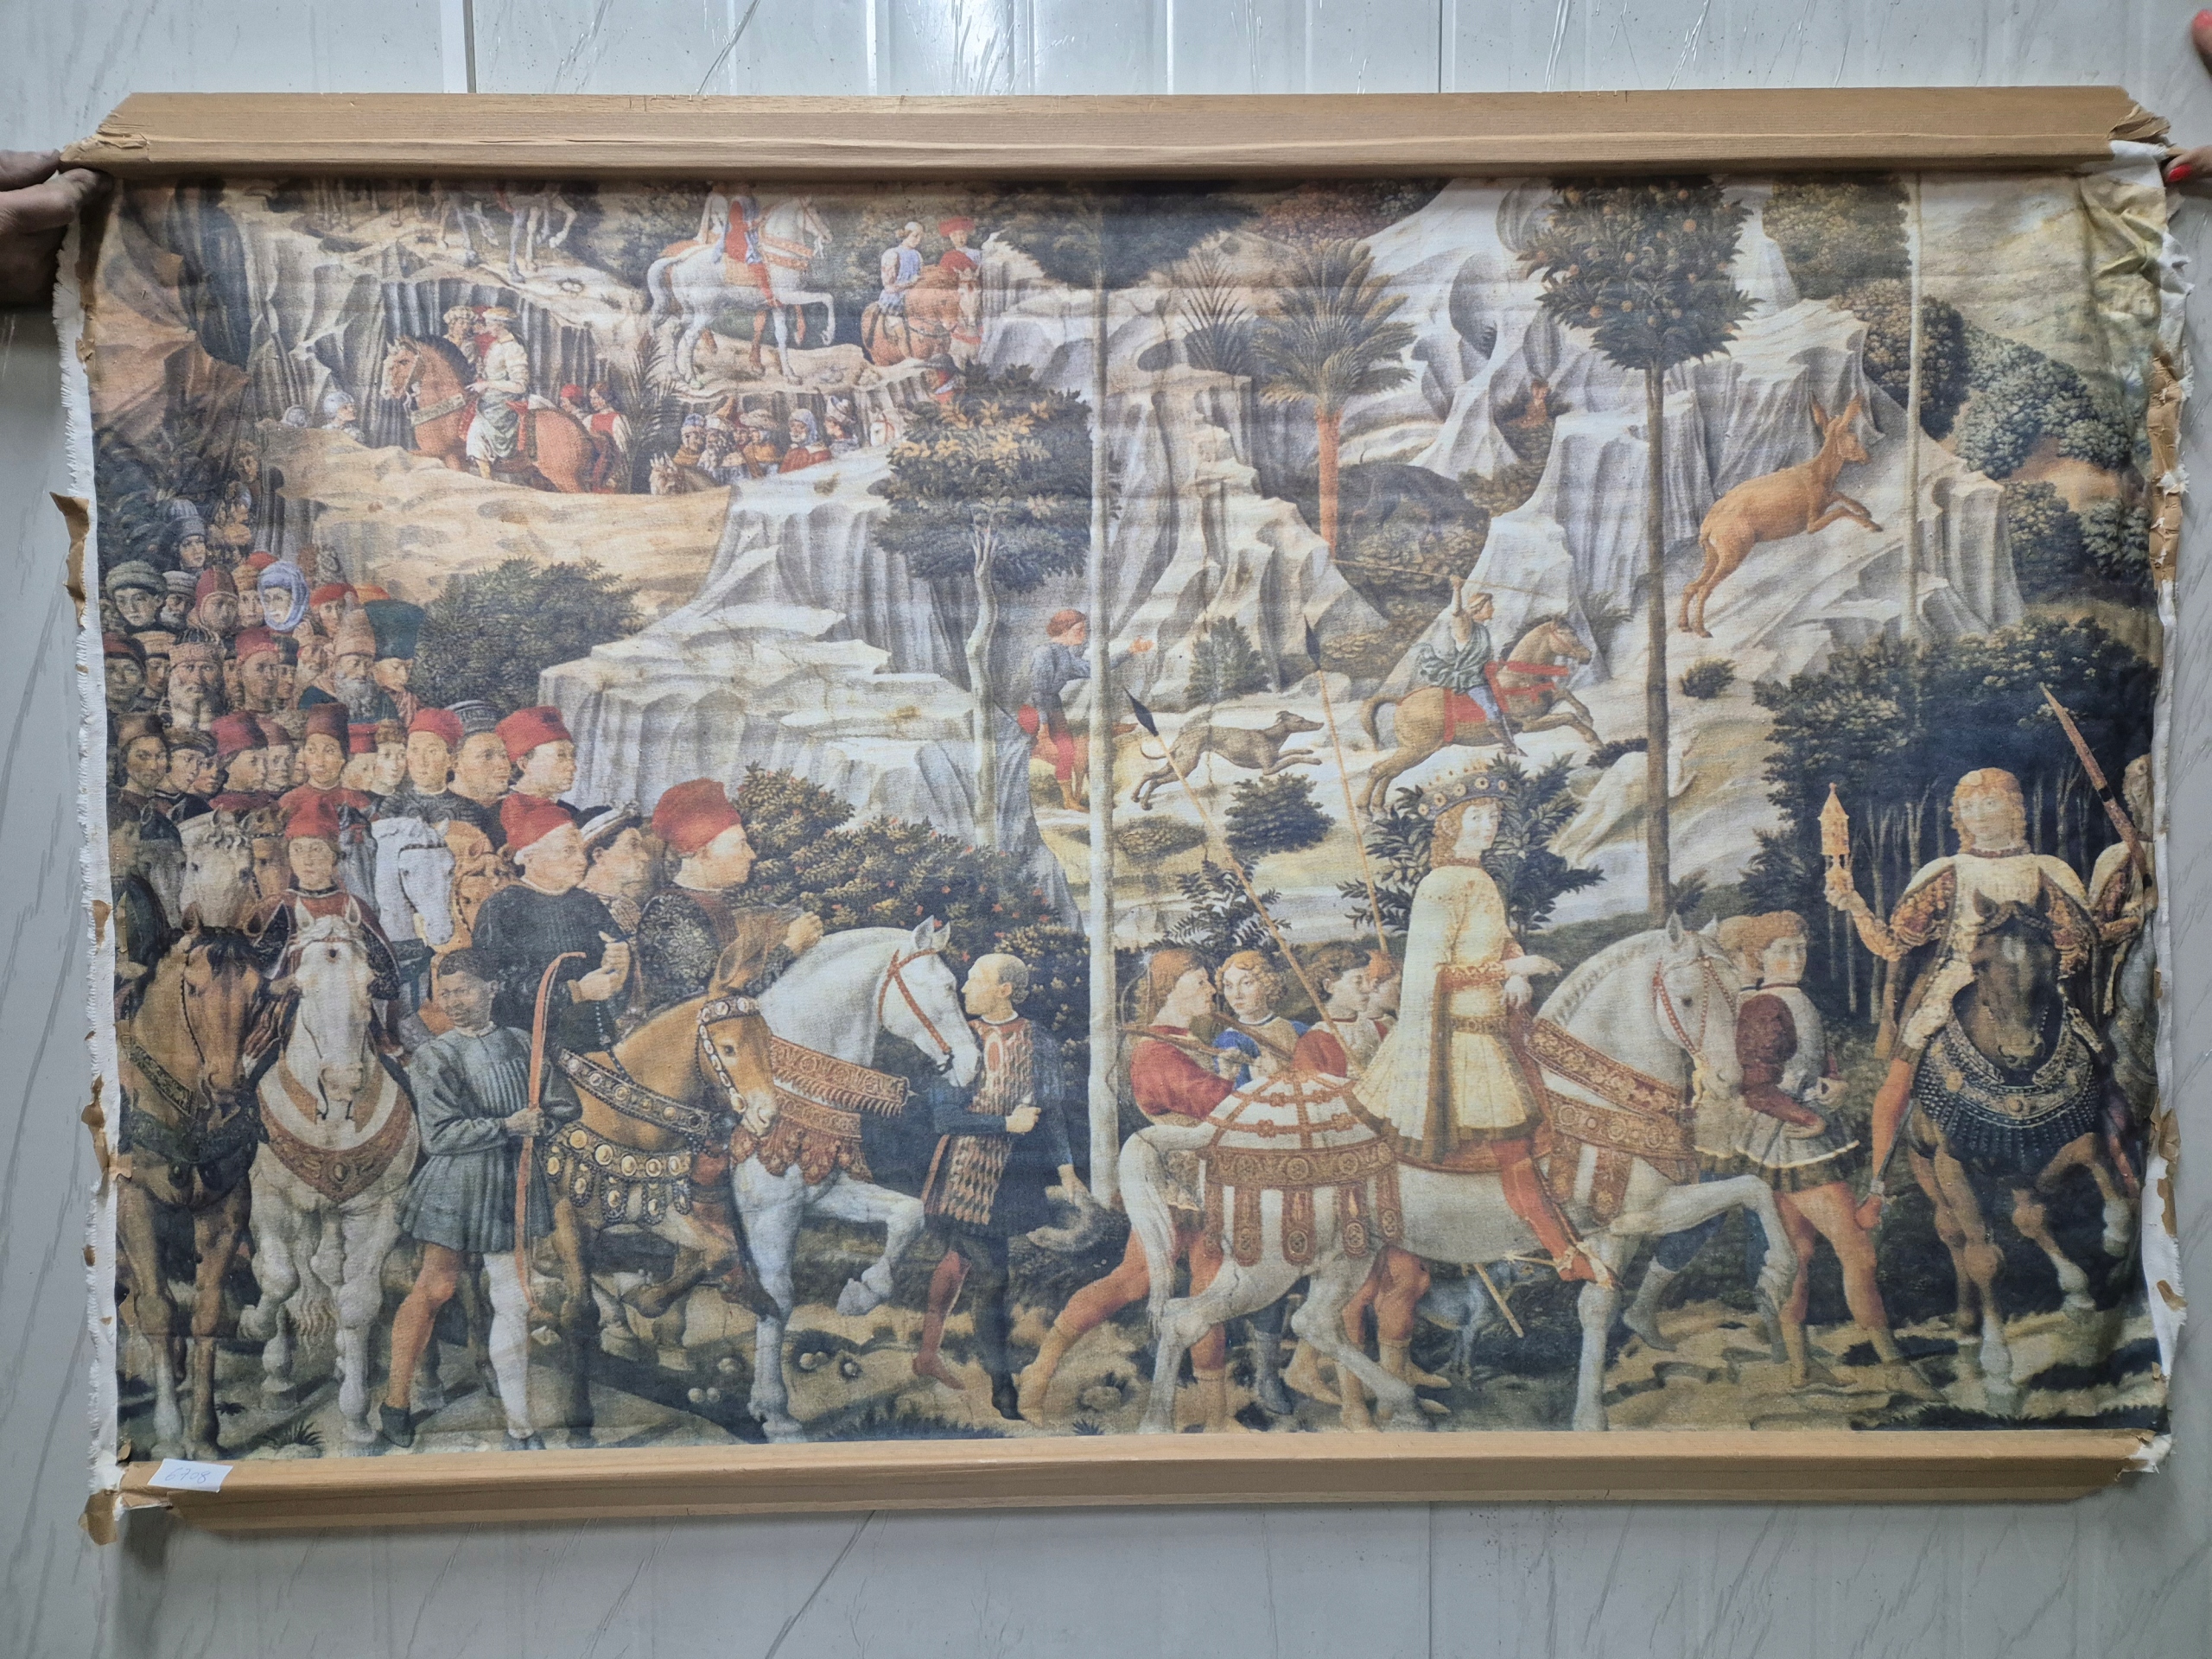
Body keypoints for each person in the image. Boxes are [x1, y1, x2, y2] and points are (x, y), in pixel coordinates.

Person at [1827, 767, 2098, 1230]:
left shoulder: (2049, 871)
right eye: (1969, 807)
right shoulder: (1946, 872)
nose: (1980, 815)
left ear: (2014, 808)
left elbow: (2077, 943)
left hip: (2036, 984)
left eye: (1990, 803)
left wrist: (2051, 970)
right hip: (1955, 980)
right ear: (1959, 816)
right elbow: (1894, 944)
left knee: (2101, 1056)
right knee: (1898, 1078)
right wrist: (1855, 904)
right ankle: (1877, 1186)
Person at [1360, 768, 1601, 1281]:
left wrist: (1515, 968)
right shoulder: (1441, 885)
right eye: (1475, 817)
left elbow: (1497, 937)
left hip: (1493, 1025)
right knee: (1514, 1149)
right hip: (1459, 1039)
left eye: (1492, 816)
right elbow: (1432, 975)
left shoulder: (1480, 878)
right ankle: (1563, 1254)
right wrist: (1509, 969)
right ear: (1450, 825)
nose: (1487, 825)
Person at [1016, 948, 1249, 1431]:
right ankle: (1039, 1371)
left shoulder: (1184, 1040)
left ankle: (1215, 1416)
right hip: (1177, 1183)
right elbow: (1214, 1103)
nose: (1211, 990)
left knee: (1207, 1289)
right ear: (1169, 988)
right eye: (1200, 981)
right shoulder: (1156, 1050)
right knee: (1137, 1281)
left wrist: (1227, 1072)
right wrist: (1238, 1081)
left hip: (1209, 1178)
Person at [381, 950, 580, 1452]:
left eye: (465, 990)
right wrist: (508, 1125)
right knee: (436, 1288)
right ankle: (396, 1401)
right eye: (445, 993)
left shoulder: (522, 1043)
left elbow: (564, 1104)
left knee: (511, 1300)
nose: (454, 1002)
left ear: (492, 988)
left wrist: (543, 1121)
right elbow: (440, 1136)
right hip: (457, 1183)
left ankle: (519, 1423)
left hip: (512, 1182)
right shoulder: (435, 1056)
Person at [912, 953, 1083, 1421]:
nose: (965, 988)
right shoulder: (957, 1039)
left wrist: (1066, 1170)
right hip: (962, 1176)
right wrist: (1006, 1122)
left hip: (1009, 1178)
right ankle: (1001, 1383)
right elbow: (944, 1117)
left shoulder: (1038, 1040)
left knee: (965, 1261)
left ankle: (929, 1353)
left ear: (1004, 990)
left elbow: (1052, 1110)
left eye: (975, 980)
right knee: (993, 1275)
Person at [634, 779, 820, 1014]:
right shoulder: (668, 913)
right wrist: (791, 947)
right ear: (703, 854)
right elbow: (713, 1004)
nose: (751, 855)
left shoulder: (708, 902)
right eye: (740, 845)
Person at [469, 797, 630, 1058]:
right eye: (568, 851)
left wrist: (620, 967)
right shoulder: (503, 907)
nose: (582, 861)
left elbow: (616, 987)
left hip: (597, 1040)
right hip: (531, 1050)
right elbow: (497, 990)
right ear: (531, 856)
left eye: (580, 851)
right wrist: (577, 992)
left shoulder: (587, 903)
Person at [242, 794, 402, 1001]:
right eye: (297, 850)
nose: (307, 860)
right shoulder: (276, 908)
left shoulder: (354, 907)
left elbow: (390, 983)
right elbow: (246, 980)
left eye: (316, 849)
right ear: (289, 857)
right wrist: (277, 986)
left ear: (334, 856)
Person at [1412, 579, 1518, 753]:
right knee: (1492, 709)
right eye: (1489, 605)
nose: (1493, 609)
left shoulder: (1482, 630)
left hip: (1483, 675)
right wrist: (1457, 589)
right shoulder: (1466, 628)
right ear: (1478, 608)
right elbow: (1456, 612)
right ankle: (1508, 745)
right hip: (1470, 679)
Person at [377, 706, 495, 836]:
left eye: (432, 751)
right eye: (414, 750)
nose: (421, 761)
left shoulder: (470, 810)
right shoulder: (394, 805)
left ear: (450, 759)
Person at [1020, 608, 1091, 811]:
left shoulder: (1065, 655)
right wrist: (1043, 724)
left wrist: (1130, 652)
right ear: (1064, 630)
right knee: (1024, 750)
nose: (1083, 634)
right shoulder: (1044, 653)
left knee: (1067, 751)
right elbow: (1038, 691)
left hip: (1053, 707)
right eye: (1079, 629)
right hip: (1033, 709)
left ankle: (1068, 800)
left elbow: (1092, 668)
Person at [465, 307, 531, 480]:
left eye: (489, 324)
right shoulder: (496, 345)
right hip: (489, 402)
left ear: (500, 325)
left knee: (475, 434)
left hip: (505, 407)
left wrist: (487, 384)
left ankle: (487, 480)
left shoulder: (513, 348)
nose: (486, 328)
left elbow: (520, 386)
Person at [577, 804, 652, 938]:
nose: (644, 857)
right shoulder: (576, 908)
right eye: (633, 846)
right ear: (599, 855)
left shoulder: (629, 907)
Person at [497, 705, 582, 820]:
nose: (572, 767)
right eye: (561, 756)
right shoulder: (498, 812)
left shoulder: (571, 813)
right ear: (524, 764)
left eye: (572, 755)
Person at [364, 599, 425, 727]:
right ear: (373, 666)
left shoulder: (410, 702)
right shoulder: (360, 698)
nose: (404, 677)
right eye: (396, 667)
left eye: (408, 668)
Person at [448, 700, 512, 820]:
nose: (503, 765)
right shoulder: (434, 812)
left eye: (504, 755)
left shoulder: (520, 807)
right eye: (487, 756)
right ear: (456, 764)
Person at [207, 712, 276, 815]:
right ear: (228, 764)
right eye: (253, 762)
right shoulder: (220, 806)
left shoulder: (268, 800)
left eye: (266, 761)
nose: (263, 770)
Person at [585, 384, 632, 493]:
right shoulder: (589, 419)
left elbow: (623, 451)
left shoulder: (618, 419)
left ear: (606, 397)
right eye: (591, 398)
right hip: (592, 469)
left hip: (611, 470)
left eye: (596, 398)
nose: (593, 402)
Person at [103, 635, 147, 720]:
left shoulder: (151, 718)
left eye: (130, 670)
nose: (120, 679)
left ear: (144, 679)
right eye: (110, 669)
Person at [778, 409, 831, 473]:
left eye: (801, 427)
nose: (796, 430)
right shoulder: (793, 451)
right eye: (792, 426)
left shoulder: (820, 452)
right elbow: (783, 473)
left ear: (810, 428)